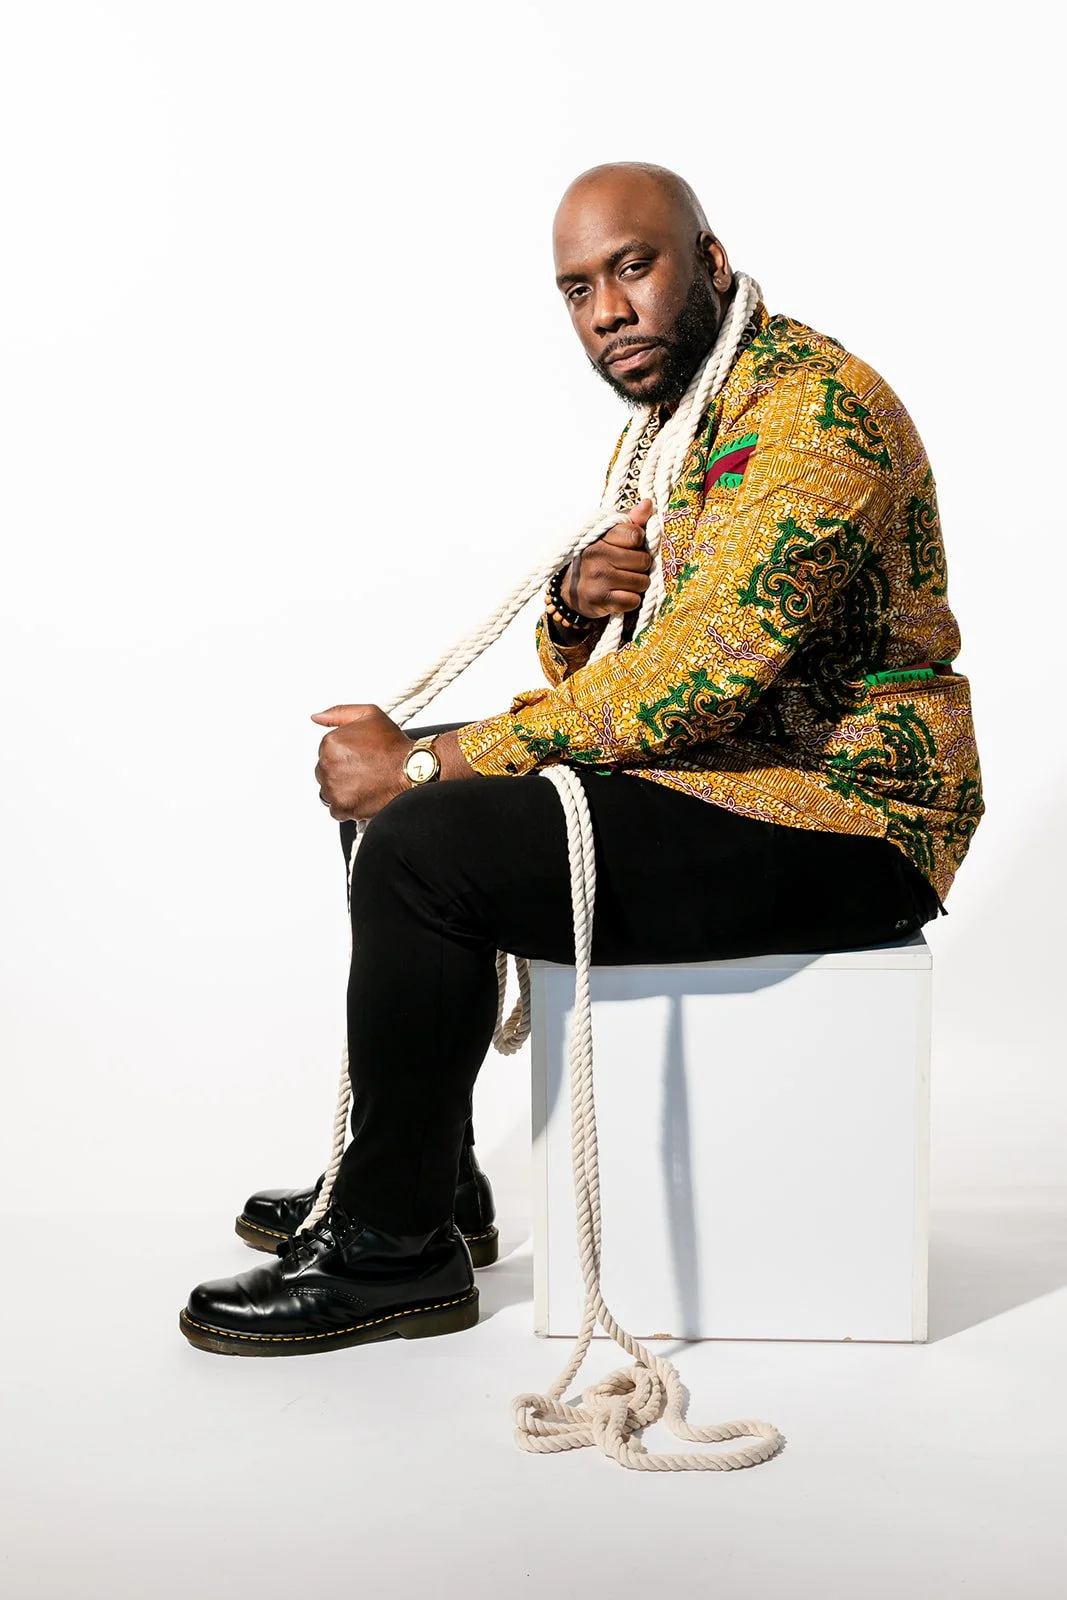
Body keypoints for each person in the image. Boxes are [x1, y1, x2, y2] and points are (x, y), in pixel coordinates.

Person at [179, 162, 983, 1357]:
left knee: (421, 826)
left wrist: (426, 766)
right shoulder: (681, 424)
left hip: (852, 817)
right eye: (575, 289)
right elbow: (606, 678)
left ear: (707, 263)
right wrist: (572, 601)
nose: (604, 309)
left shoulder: (809, 415)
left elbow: (687, 682)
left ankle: (396, 1255)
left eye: (632, 266)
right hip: (732, 776)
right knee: (408, 795)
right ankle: (423, 1175)